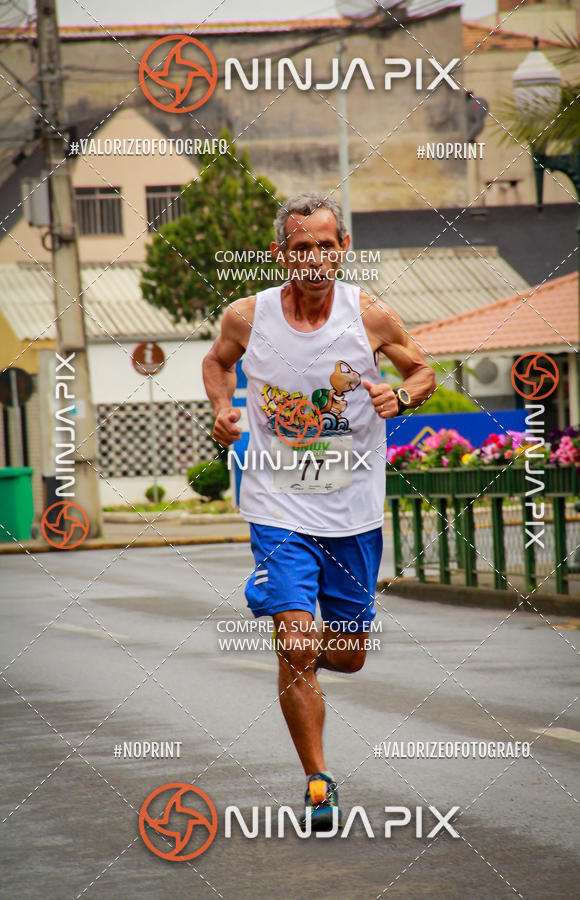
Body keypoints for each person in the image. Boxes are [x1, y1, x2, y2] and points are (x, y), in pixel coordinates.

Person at [203, 192, 435, 830]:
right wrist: (222, 409)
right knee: (299, 642)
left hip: (353, 510)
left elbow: (422, 371)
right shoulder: (248, 317)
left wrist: (402, 397)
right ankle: (319, 779)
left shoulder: (371, 315)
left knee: (350, 654)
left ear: (343, 250)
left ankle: (292, 639)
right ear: (281, 254)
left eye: (325, 245)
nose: (314, 258)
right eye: (301, 247)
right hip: (276, 502)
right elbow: (216, 362)